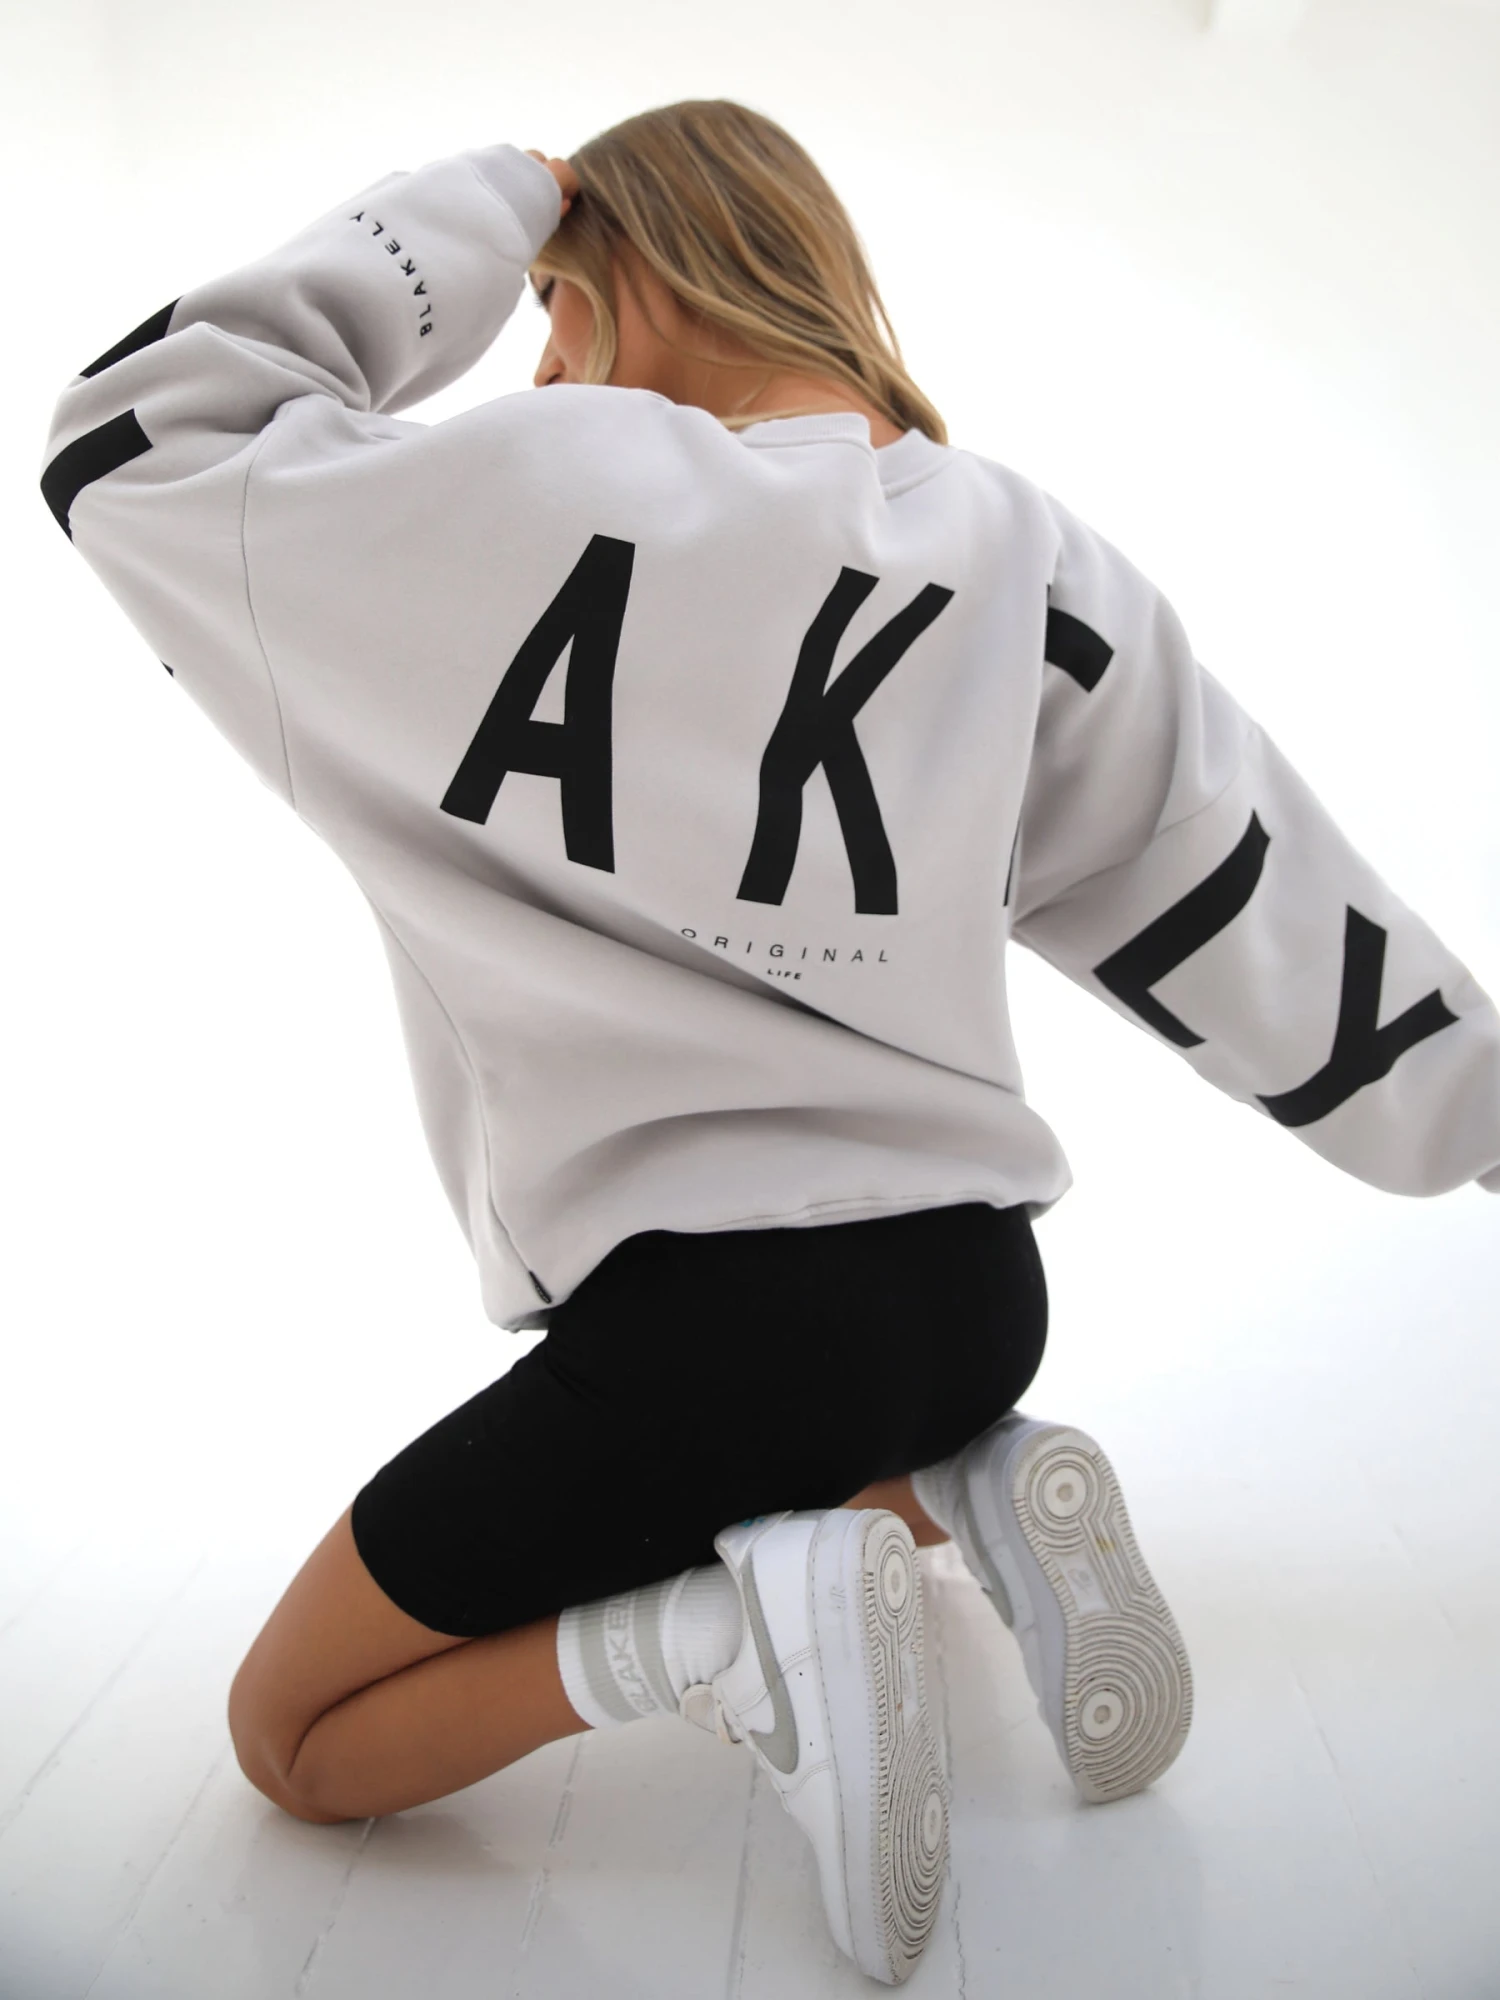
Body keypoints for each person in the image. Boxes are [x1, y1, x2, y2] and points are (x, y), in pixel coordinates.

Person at [39, 97, 1500, 1989]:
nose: (539, 362)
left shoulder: (489, 495)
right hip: (978, 1304)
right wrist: (1476, 1116)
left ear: (617, 276)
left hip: (699, 1336)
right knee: (818, 1434)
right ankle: (972, 1488)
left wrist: (498, 196)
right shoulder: (1018, 549)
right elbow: (1236, 894)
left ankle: (723, 1644)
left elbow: (134, 437)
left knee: (293, 1742)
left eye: (552, 307)